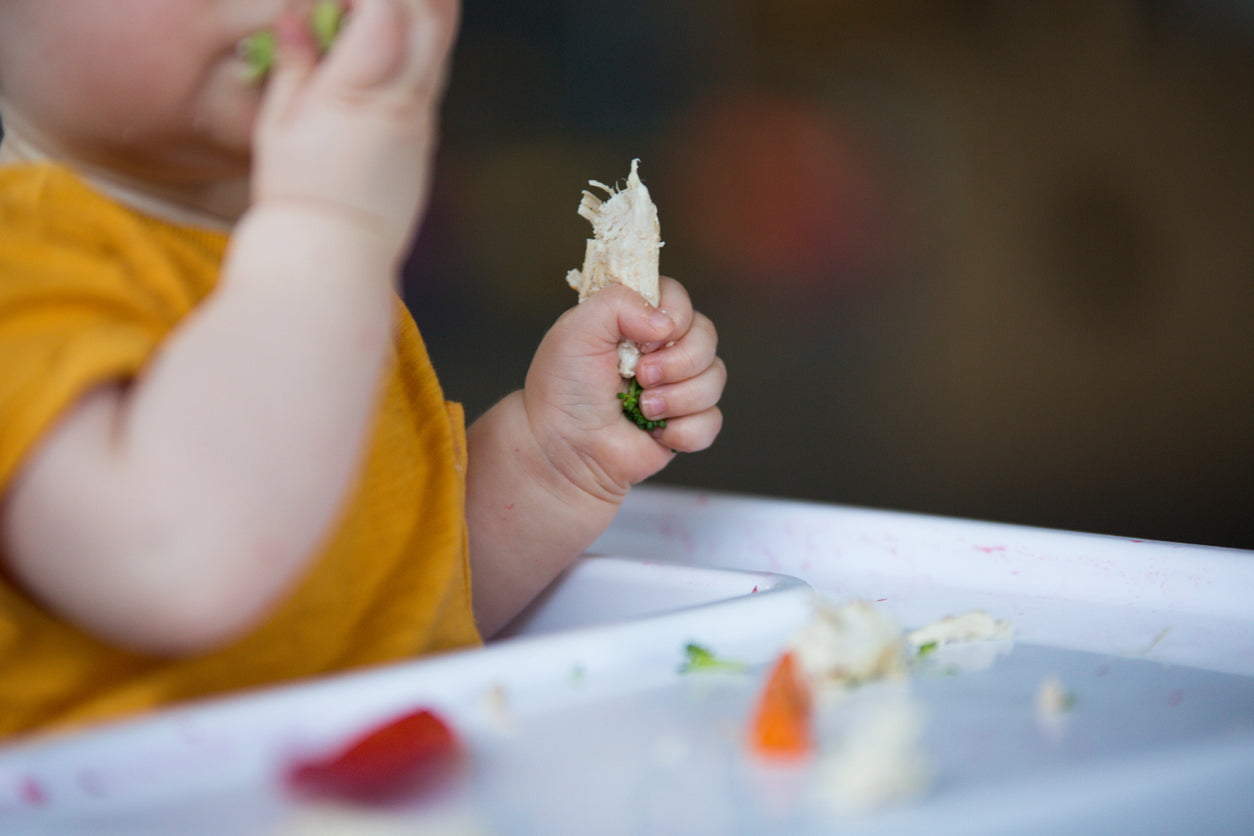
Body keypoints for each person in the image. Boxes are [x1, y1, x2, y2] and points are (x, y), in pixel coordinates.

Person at [0, 0, 725, 737]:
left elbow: (382, 615)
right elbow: (174, 562)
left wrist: (553, 462)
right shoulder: (22, 262)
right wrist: (324, 228)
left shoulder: (311, 267)